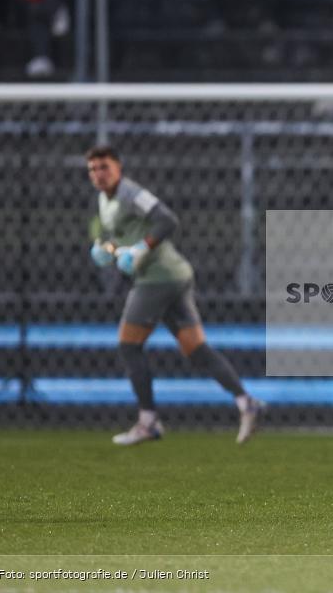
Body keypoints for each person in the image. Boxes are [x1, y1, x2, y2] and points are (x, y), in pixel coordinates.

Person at [85, 146, 264, 446]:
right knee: (196, 350)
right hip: (172, 278)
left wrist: (142, 249)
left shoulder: (131, 193)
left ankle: (148, 421)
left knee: (128, 346)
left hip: (159, 278)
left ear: (118, 166)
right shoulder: (106, 200)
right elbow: (124, 235)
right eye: (92, 169)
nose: (98, 174)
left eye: (103, 167)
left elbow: (167, 220)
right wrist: (109, 250)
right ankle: (246, 402)